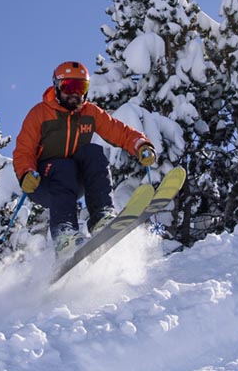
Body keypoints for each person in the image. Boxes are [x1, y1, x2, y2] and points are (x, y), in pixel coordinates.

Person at [13, 61, 157, 259]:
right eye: (68, 87)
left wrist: (141, 145)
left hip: (73, 181)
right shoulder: (39, 114)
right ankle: (65, 235)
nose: (74, 93)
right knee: (63, 166)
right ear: (57, 87)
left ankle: (102, 217)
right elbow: (23, 150)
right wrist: (26, 173)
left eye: (80, 88)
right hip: (42, 182)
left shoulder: (90, 112)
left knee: (93, 152)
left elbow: (119, 132)